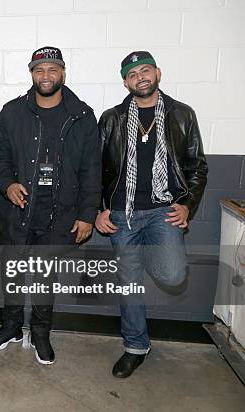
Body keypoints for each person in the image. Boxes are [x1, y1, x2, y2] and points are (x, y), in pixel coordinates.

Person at [0, 47, 101, 365]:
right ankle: (10, 327)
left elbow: (92, 169)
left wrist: (87, 214)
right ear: (31, 73)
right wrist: (7, 184)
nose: (46, 76)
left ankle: (39, 333)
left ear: (63, 73)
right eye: (40, 70)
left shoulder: (82, 116)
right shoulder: (12, 112)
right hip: (17, 212)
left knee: (44, 277)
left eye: (52, 69)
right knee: (12, 274)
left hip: (59, 215)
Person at [96, 51, 207, 378]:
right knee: (129, 283)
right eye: (132, 74)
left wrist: (188, 204)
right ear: (125, 82)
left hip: (163, 211)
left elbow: (197, 166)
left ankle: (143, 254)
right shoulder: (112, 118)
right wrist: (97, 210)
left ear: (157, 73)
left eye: (145, 70)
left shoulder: (182, 115)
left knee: (173, 274)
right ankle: (135, 346)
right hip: (122, 214)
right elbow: (94, 170)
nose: (140, 77)